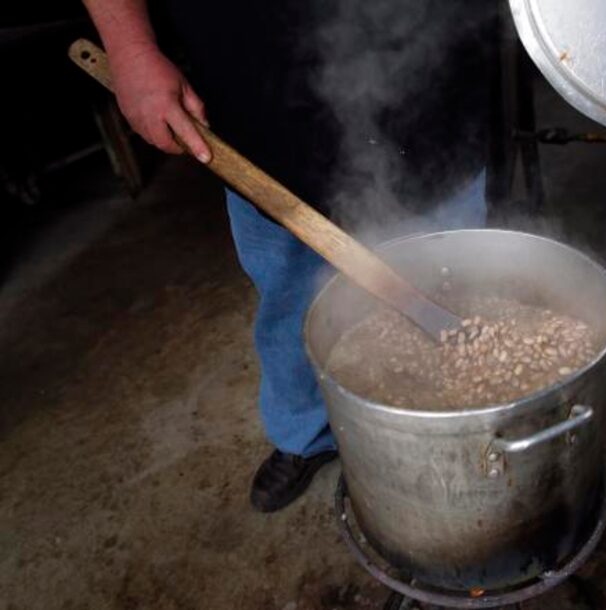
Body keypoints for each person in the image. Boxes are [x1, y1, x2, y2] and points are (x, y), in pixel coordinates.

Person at [82, 0, 493, 512]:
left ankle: (453, 429)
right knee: (290, 296)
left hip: (436, 83)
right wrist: (130, 49)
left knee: (451, 288)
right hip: (259, 97)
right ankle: (305, 434)